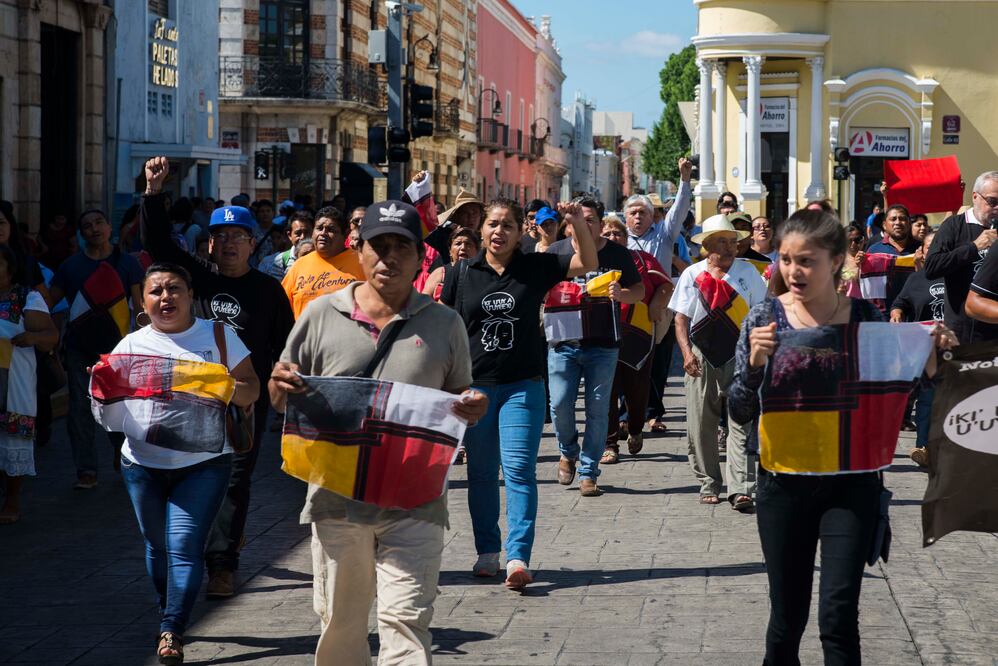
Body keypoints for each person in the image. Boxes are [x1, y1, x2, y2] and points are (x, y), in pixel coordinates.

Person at [727, 209, 956, 665]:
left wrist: (934, 354)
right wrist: (752, 369)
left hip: (852, 485)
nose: (793, 271)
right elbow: (738, 410)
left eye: (807, 260)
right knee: (786, 620)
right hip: (782, 486)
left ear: (836, 262)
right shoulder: (764, 319)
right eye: (787, 260)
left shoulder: (867, 318)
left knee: (838, 618)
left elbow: (904, 391)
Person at [268, 201, 487, 665]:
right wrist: (278, 384)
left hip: (416, 498)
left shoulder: (445, 323)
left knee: (406, 616)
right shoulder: (321, 315)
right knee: (341, 623)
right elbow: (280, 392)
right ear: (359, 250)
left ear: (419, 256)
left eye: (401, 247)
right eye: (379, 246)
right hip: (337, 497)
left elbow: (459, 395)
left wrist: (473, 406)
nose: (389, 258)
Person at [140, 156, 295, 599]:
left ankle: (223, 564)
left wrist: (283, 390)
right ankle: (199, 546)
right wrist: (153, 192)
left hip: (245, 401)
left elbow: (286, 346)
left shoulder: (268, 292)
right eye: (219, 236)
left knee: (234, 480)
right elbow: (158, 245)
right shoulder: (196, 280)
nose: (227, 244)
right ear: (209, 244)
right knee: (191, 475)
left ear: (252, 245)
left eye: (237, 237)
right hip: (191, 399)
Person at [440, 198, 597, 589]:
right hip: (475, 389)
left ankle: (517, 556)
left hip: (523, 386)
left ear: (519, 231)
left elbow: (588, 263)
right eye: (493, 224)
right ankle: (487, 552)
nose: (499, 232)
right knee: (479, 473)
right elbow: (442, 327)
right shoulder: (461, 274)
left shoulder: (535, 266)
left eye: (507, 225)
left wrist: (575, 223)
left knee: (519, 472)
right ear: (481, 230)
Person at [107, 262, 259, 665]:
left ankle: (172, 627)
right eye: (156, 291)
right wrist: (101, 387)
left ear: (191, 296)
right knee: (157, 547)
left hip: (205, 462)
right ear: (143, 301)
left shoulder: (219, 336)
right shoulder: (130, 346)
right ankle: (167, 610)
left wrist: (215, 383)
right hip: (142, 464)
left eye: (174, 289)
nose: (165, 297)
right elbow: (108, 409)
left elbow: (251, 389)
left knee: (184, 546)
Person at [546, 197, 645, 496]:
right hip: (563, 342)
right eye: (576, 218)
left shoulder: (617, 253)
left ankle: (589, 472)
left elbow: (638, 291)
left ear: (601, 225)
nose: (582, 223)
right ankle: (568, 451)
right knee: (560, 404)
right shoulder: (556, 253)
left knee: (598, 410)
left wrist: (622, 294)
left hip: (603, 344)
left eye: (589, 219)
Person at [669, 214, 767, 509]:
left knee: (742, 421)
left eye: (733, 241)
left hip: (740, 352)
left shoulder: (748, 273)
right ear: (707, 245)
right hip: (700, 353)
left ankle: (741, 488)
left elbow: (761, 314)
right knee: (702, 422)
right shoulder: (692, 274)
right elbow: (681, 319)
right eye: (722, 242)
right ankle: (709, 481)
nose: (730, 247)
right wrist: (686, 353)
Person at [49, 209, 143, 489]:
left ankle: (121, 451)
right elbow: (48, 301)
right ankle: (86, 470)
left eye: (99, 222)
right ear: (82, 233)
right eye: (87, 225)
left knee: (119, 407)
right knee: (79, 407)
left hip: (118, 350)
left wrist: (144, 340)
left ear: (109, 226)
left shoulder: (127, 263)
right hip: (79, 348)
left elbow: (139, 307)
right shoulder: (70, 267)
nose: (94, 229)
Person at [598, 217, 673, 464]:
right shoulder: (591, 261)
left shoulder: (641, 259)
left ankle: (635, 428)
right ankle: (610, 444)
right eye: (607, 233)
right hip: (602, 334)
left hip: (638, 332)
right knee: (606, 390)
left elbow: (664, 285)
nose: (612, 238)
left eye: (617, 233)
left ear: (626, 237)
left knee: (637, 389)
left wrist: (656, 304)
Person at [0, 245, 59, 524]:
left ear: (10, 268)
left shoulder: (26, 297)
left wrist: (32, 338)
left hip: (13, 382)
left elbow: (50, 335)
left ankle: (11, 500)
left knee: (13, 438)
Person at [890, 231, 944, 466]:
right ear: (922, 252)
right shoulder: (916, 279)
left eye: (939, 245)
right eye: (929, 246)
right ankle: (924, 447)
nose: (934, 250)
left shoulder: (959, 276)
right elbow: (899, 303)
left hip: (955, 345)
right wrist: (896, 314)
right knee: (927, 398)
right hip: (924, 347)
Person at [926, 170, 998, 343]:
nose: (997, 208)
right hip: (961, 331)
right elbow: (931, 267)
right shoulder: (954, 226)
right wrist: (974, 247)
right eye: (992, 202)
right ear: (975, 197)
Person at [281, 206, 363, 318]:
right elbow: (281, 309)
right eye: (319, 228)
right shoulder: (299, 266)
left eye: (331, 230)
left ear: (346, 234)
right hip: (305, 335)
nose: (323, 233)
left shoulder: (361, 262)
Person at [421, 227, 482, 300]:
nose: (463, 248)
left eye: (468, 244)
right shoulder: (440, 273)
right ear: (450, 251)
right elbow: (422, 303)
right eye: (458, 243)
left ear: (477, 251)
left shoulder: (483, 275)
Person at [425, 189, 484, 260]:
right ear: (457, 216)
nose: (470, 217)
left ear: (481, 216)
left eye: (475, 212)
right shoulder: (443, 237)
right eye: (465, 212)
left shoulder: (486, 240)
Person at [259, 211, 314, 280]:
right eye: (298, 233)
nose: (302, 237)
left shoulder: (322, 260)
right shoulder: (270, 263)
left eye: (307, 232)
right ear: (289, 235)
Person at [839, 223, 866, 298]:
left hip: (864, 306)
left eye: (857, 240)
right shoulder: (837, 261)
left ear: (863, 240)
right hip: (844, 305)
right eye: (849, 241)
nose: (853, 244)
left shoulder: (870, 260)